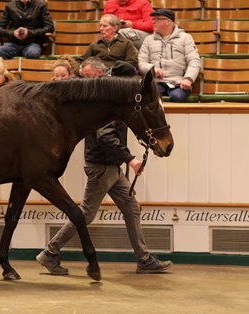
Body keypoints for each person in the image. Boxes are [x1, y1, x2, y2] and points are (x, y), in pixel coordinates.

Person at [36, 59, 172, 275]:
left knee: (131, 208)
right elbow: (105, 137)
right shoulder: (108, 100)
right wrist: (130, 159)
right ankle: (50, 253)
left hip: (111, 166)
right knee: (86, 214)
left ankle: (144, 259)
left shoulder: (115, 99)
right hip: (101, 166)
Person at [138, 8, 202, 102]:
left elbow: (194, 61)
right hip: (156, 83)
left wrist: (188, 78)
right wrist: (152, 69)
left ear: (168, 21)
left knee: (177, 96)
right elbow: (141, 62)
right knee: (148, 96)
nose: (153, 22)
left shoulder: (185, 38)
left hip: (178, 82)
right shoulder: (148, 39)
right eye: (153, 19)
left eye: (157, 19)